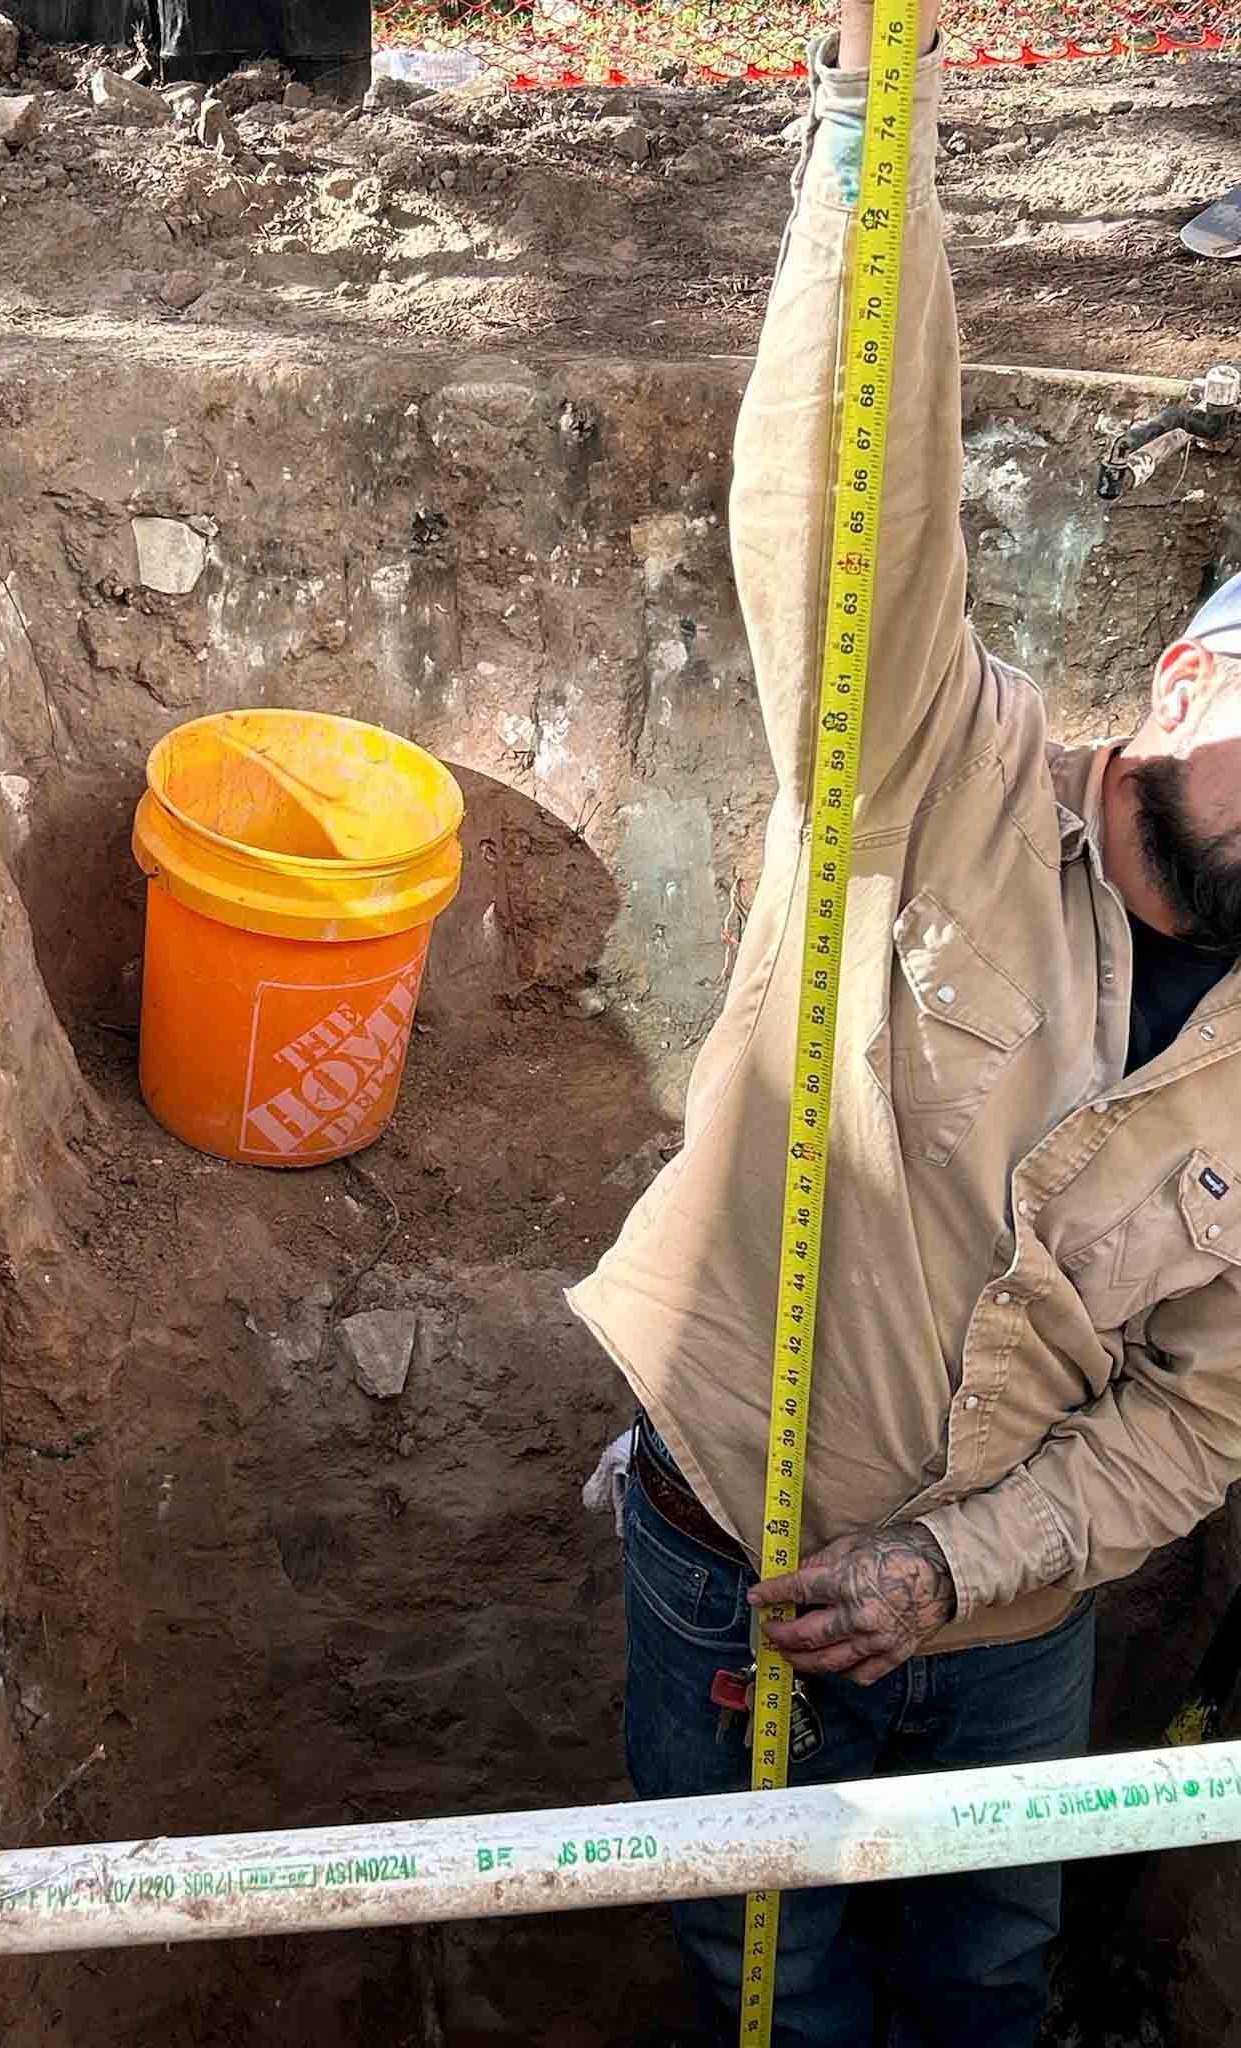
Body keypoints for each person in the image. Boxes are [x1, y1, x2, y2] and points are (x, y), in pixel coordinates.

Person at [569, 1, 1241, 2041]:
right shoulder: (925, 774)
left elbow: (1208, 1407)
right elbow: (844, 506)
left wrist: (967, 1569)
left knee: (988, 1964)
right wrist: (875, 160)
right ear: (1183, 687)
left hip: (1017, 1618)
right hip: (733, 1556)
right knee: (760, 1970)